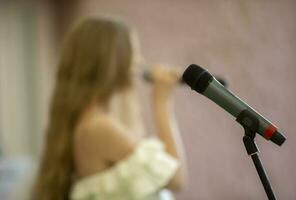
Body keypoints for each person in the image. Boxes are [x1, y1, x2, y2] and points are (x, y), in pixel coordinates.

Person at [32, 17, 186, 200]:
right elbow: (176, 179)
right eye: (133, 53)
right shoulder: (98, 128)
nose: (139, 61)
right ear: (113, 60)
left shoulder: (89, 123)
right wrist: (162, 103)